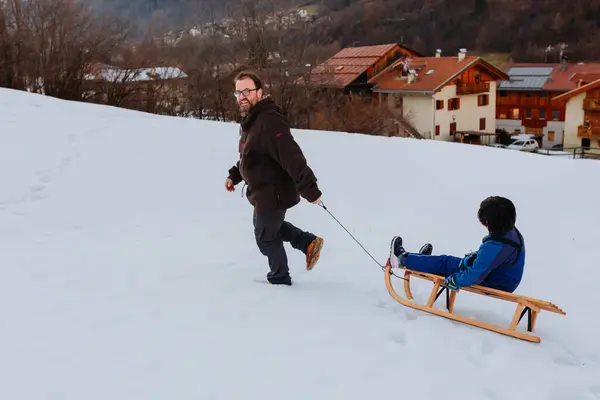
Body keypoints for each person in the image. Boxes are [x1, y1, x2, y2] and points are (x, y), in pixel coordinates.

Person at [225, 70, 324, 286]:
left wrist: (310, 189)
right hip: (263, 191)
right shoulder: (252, 120)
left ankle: (280, 277)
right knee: (269, 228)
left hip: (274, 191)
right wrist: (235, 175)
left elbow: (291, 156)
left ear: (259, 92)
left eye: (247, 91)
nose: (242, 96)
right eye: (238, 92)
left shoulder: (269, 121)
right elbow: (250, 156)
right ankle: (307, 242)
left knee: (265, 237)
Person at [389, 196, 525, 293]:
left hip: (496, 283)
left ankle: (401, 259)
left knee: (444, 263)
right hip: (503, 278)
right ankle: (422, 262)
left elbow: (475, 276)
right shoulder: (512, 233)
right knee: (449, 262)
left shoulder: (494, 246)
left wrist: (455, 280)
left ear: (489, 222)